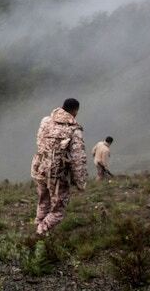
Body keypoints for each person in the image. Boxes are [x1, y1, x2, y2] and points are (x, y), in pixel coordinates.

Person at [30, 98, 87, 236]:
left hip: (39, 168)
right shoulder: (74, 129)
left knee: (44, 200)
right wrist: (80, 182)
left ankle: (39, 223)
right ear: (75, 111)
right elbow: (77, 159)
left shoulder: (45, 121)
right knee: (58, 210)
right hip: (57, 174)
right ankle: (40, 232)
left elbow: (39, 141)